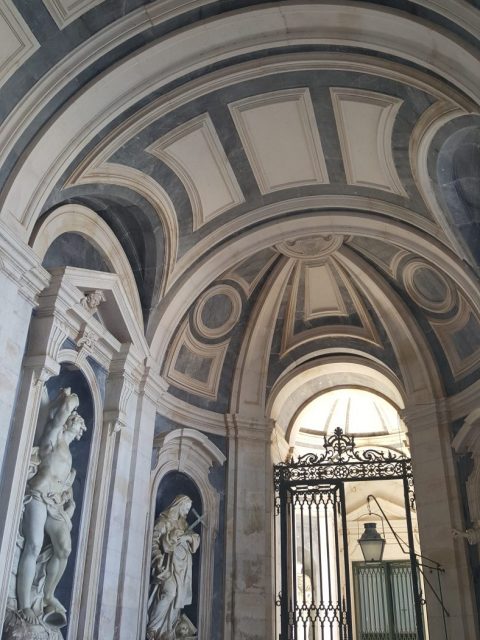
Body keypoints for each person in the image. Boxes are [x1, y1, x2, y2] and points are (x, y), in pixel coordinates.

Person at [16, 387, 86, 627]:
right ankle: (25, 604)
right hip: (37, 494)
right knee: (33, 544)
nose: (81, 431)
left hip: (55, 503)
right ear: (69, 423)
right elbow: (62, 411)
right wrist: (70, 399)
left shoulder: (69, 454)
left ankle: (48, 594)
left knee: (64, 549)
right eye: (79, 425)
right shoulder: (53, 436)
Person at [147, 495, 200, 640]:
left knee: (177, 597)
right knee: (169, 592)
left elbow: (195, 538)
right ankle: (153, 628)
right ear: (179, 505)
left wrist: (187, 538)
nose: (187, 512)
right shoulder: (163, 522)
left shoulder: (183, 525)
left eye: (189, 509)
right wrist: (158, 560)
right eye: (186, 508)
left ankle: (168, 630)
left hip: (181, 569)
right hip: (167, 566)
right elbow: (153, 542)